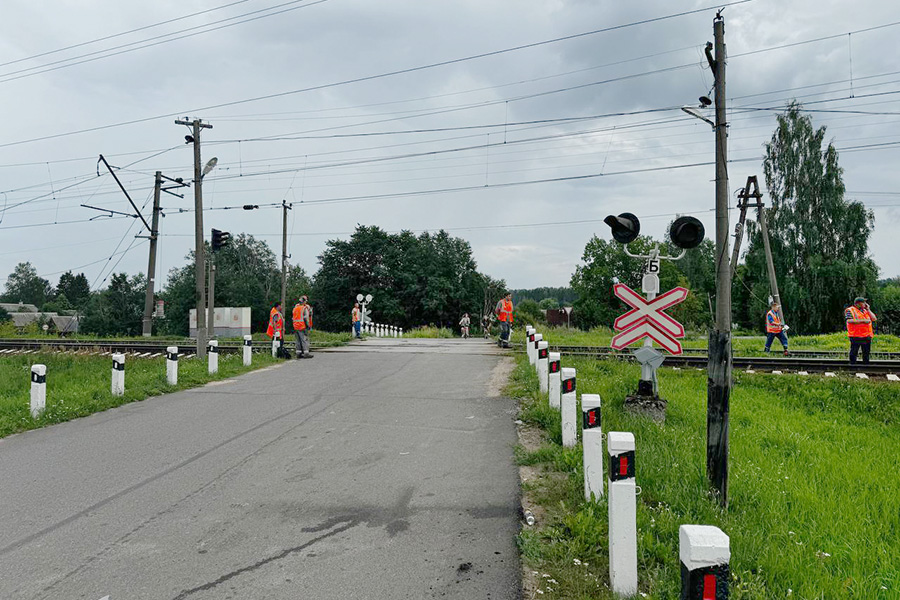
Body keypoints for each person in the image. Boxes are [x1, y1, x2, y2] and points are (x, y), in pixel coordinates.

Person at [845, 296, 877, 364]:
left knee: (866, 353)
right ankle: (852, 366)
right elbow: (849, 321)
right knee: (854, 353)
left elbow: (874, 318)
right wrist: (863, 321)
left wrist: (868, 309)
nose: (865, 304)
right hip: (856, 335)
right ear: (858, 303)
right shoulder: (851, 310)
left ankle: (865, 367)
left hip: (867, 336)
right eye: (863, 302)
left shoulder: (865, 311)